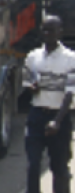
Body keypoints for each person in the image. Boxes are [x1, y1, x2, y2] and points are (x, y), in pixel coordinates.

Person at [24, 15, 75, 193]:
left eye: (51, 30)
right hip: (37, 115)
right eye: (44, 30)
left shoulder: (70, 58)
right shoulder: (33, 57)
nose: (47, 34)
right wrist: (32, 87)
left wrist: (57, 121)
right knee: (33, 164)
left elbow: (69, 93)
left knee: (59, 167)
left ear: (60, 32)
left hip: (59, 117)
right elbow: (27, 82)